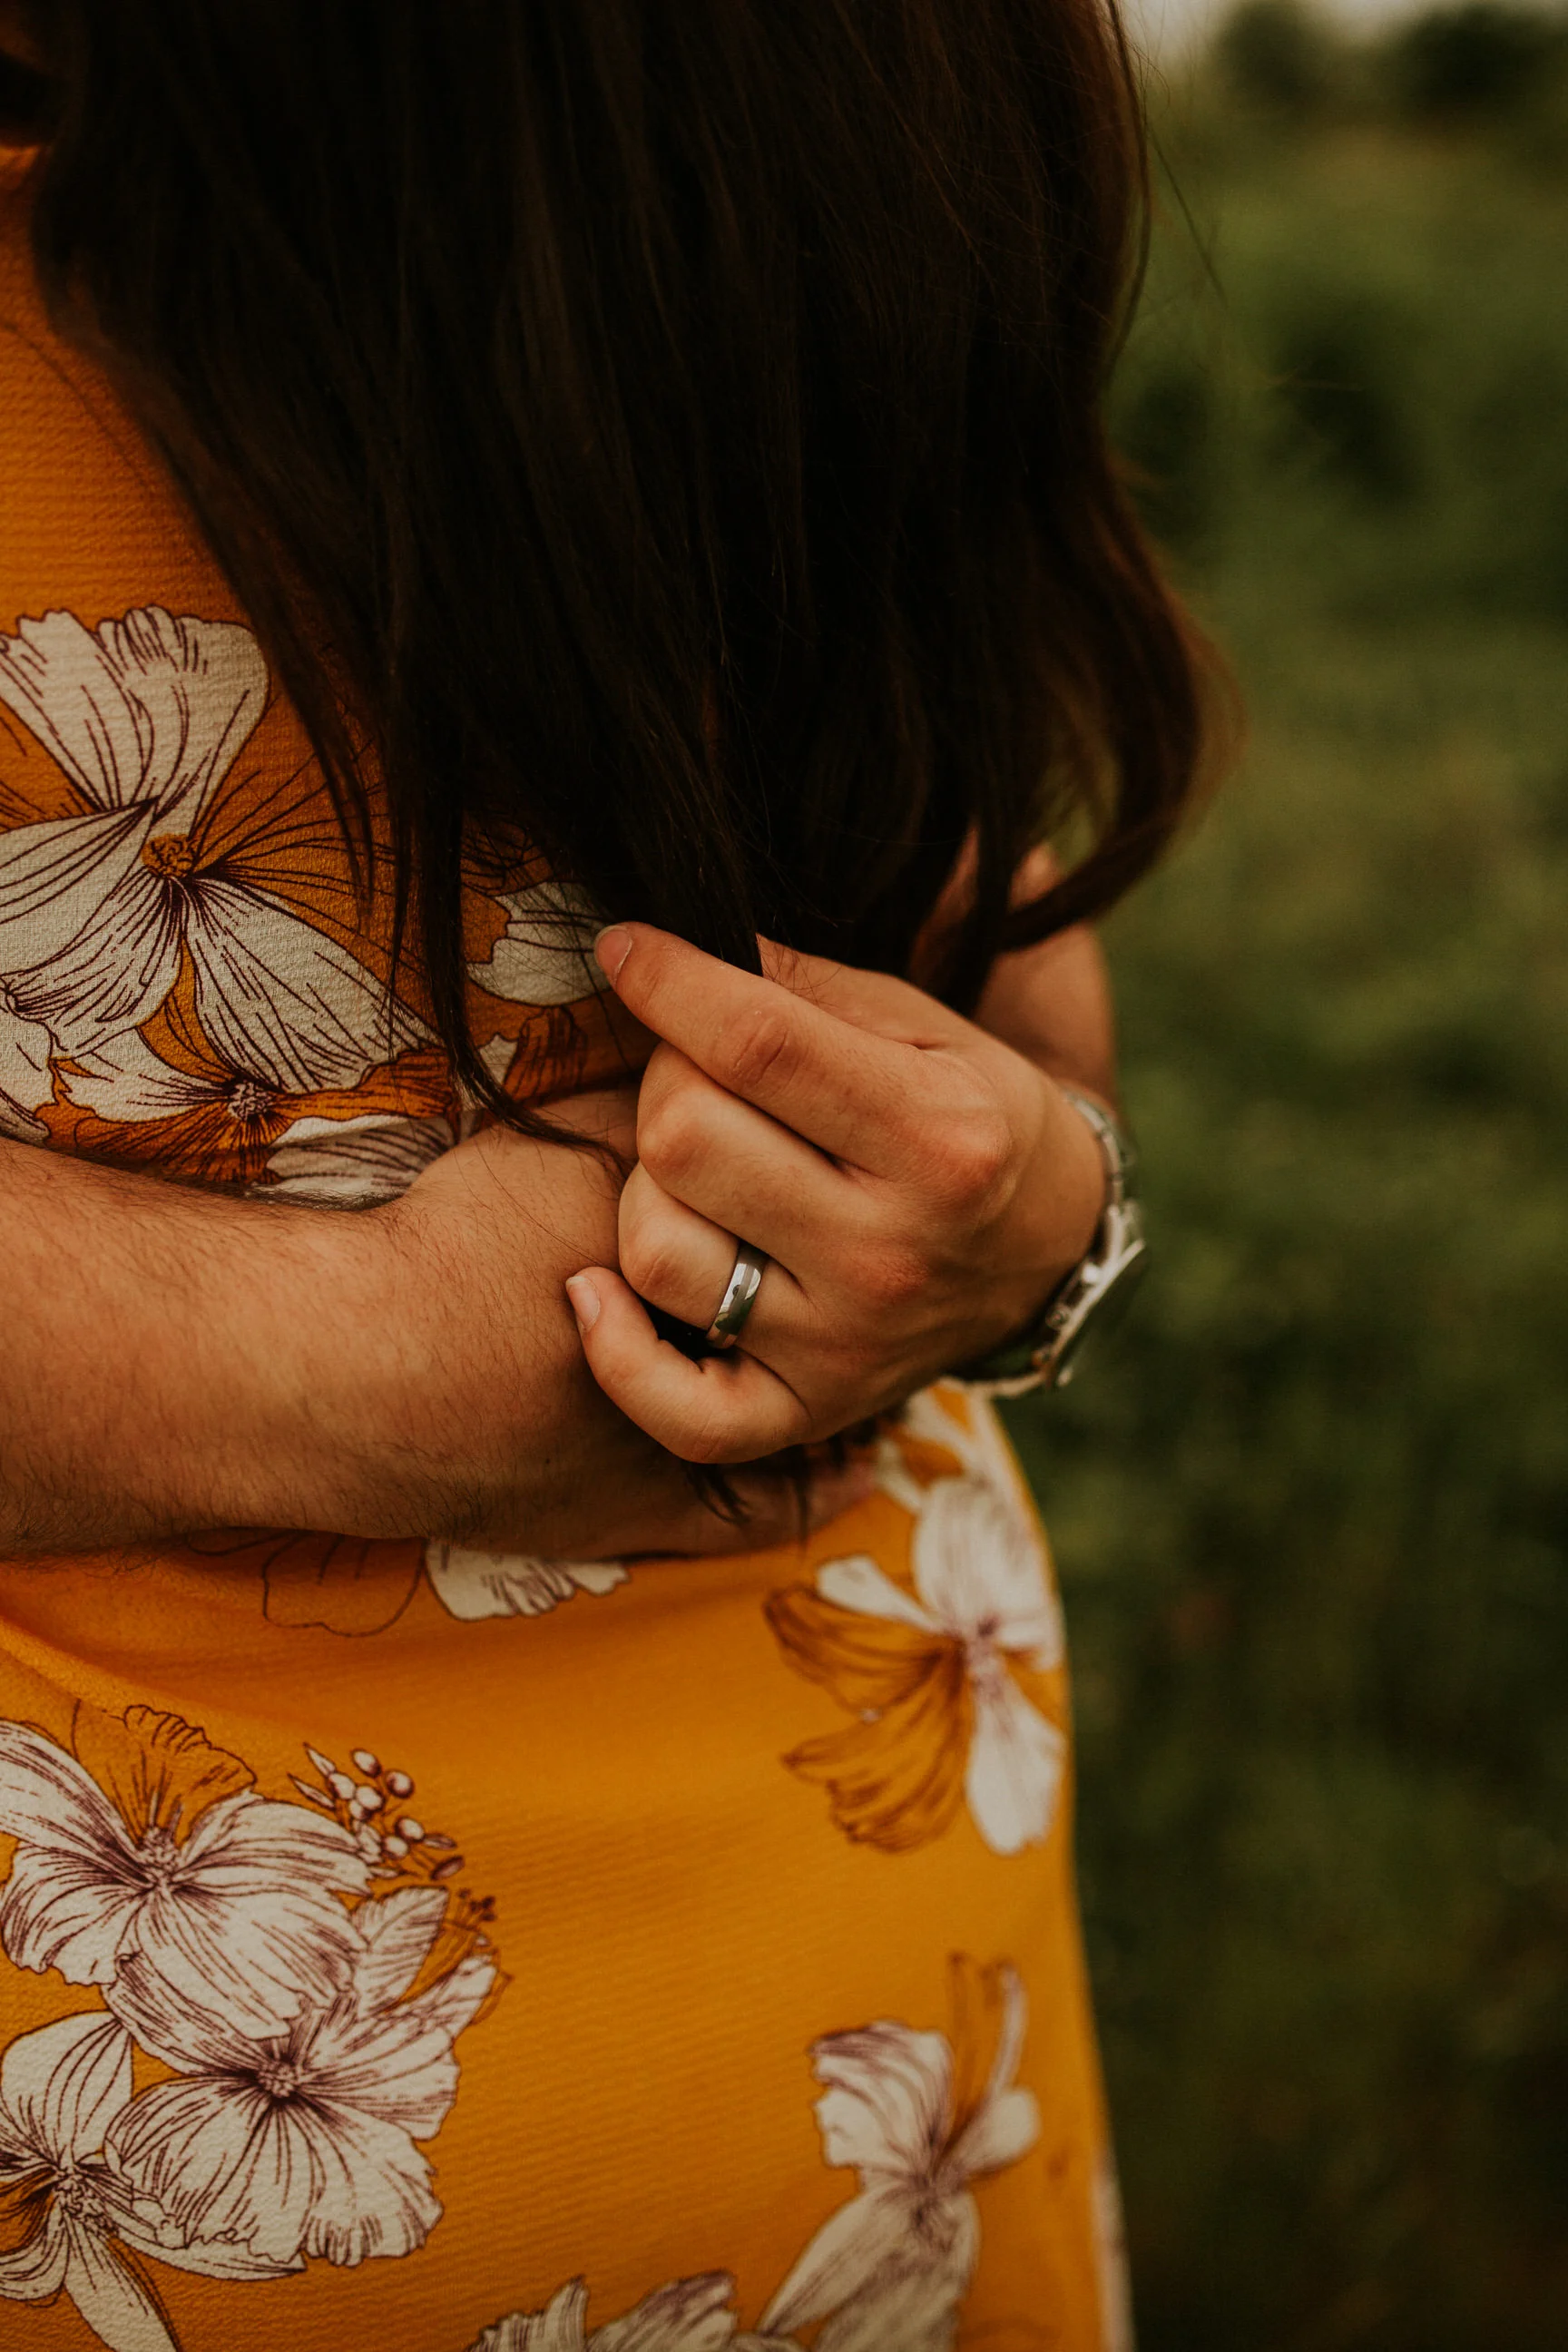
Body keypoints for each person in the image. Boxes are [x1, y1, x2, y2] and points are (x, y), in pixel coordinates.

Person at [0, 5, 1210, 2347]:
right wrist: (339, 1360)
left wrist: (1030, 1227)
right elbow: (1001, 951)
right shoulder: (782, 146)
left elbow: (978, 991)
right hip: (852, 1997)